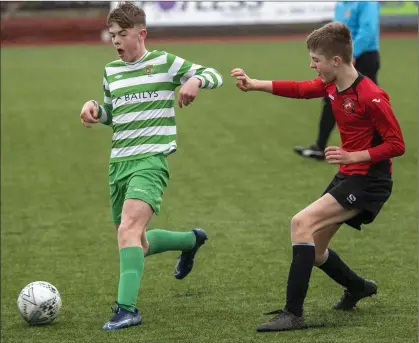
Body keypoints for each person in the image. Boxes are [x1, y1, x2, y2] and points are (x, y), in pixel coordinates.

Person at [231, 21, 405, 332]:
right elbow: (300, 89)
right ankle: (358, 286)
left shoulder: (372, 95)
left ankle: (292, 313)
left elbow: (397, 145)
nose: (312, 65)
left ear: (335, 61)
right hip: (349, 175)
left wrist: (355, 155)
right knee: (316, 250)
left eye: (316, 60)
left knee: (301, 224)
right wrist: (255, 83)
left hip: (370, 180)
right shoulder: (331, 85)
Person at [79, 2, 223, 331]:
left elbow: (214, 74)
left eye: (123, 34)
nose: (116, 41)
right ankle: (191, 240)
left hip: (151, 161)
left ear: (141, 34)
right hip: (119, 164)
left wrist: (195, 81)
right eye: (112, 35)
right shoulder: (110, 71)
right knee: (136, 242)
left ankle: (126, 309)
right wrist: (94, 110)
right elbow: (114, 114)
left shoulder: (164, 63)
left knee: (127, 229)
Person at [294, 1, 381, 160]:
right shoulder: (342, 3)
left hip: (362, 58)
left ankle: (380, 146)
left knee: (370, 102)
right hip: (343, 58)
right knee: (331, 99)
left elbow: (368, 30)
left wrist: (352, 54)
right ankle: (320, 147)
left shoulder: (366, 2)